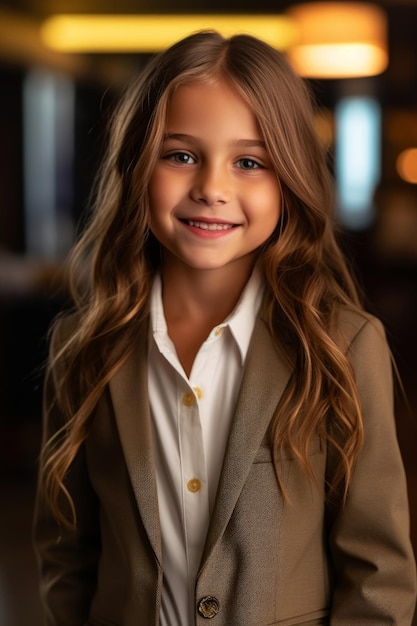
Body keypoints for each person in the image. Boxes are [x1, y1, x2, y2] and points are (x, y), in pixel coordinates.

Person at [33, 30, 417, 626]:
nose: (212, 188)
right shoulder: (84, 348)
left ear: (289, 180)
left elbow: (379, 577)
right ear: (138, 165)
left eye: (249, 162)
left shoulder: (342, 346)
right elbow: (68, 554)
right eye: (181, 154)